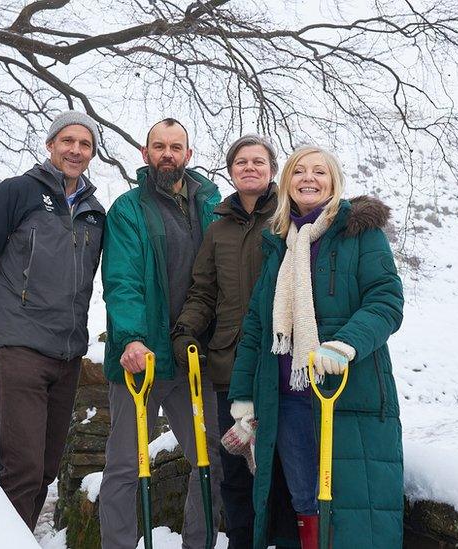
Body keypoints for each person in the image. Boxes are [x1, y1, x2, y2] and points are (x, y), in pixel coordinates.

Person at [225, 146, 404, 548]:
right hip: (288, 402)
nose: (309, 178)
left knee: (353, 509)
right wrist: (243, 396)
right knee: (304, 501)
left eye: (319, 171)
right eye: (299, 171)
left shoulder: (361, 234)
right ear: (287, 182)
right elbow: (257, 326)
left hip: (348, 395)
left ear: (333, 181)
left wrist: (345, 345)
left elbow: (386, 300)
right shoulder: (279, 246)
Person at [0, 111, 105, 530]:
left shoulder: (96, 214)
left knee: (44, 470)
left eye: (85, 144)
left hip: (69, 352)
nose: (76, 150)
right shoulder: (17, 193)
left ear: (92, 153)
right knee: (21, 468)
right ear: (50, 145)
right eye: (67, 141)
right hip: (20, 346)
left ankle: (15, 537)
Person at [100, 118, 224, 549]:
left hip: (194, 358)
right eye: (159, 146)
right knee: (123, 467)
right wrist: (132, 337)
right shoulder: (128, 209)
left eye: (176, 147)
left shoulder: (213, 206)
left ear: (188, 155)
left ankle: (198, 543)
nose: (167, 154)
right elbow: (122, 280)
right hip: (144, 359)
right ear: (145, 153)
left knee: (211, 460)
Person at [170, 134, 279, 549]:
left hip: (278, 361)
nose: (249, 168)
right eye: (241, 162)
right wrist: (185, 330)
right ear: (230, 171)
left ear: (271, 169)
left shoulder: (287, 219)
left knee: (278, 461)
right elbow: (203, 291)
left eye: (258, 161)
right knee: (234, 464)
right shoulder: (217, 230)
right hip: (228, 366)